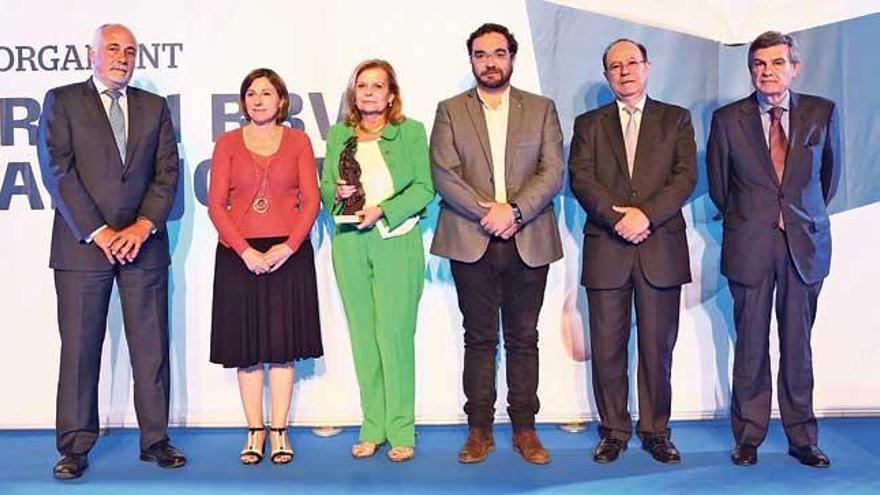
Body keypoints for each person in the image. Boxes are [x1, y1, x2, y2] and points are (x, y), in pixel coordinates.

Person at [37, 24, 184, 480]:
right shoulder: (62, 100)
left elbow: (166, 174)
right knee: (80, 351)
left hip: (144, 246)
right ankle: (75, 446)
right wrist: (100, 232)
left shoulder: (154, 107)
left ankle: (155, 439)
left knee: (151, 347)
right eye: (114, 48)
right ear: (92, 55)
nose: (123, 56)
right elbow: (57, 172)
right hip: (83, 248)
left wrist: (141, 226)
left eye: (131, 50)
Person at [430, 23, 564, 465]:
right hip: (472, 238)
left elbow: (552, 171)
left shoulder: (541, 108)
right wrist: (489, 213)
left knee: (525, 338)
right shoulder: (450, 110)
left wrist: (516, 211)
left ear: (512, 57)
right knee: (480, 338)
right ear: (471, 59)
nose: (491, 62)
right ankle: (479, 430)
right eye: (481, 54)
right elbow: (444, 172)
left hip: (529, 238)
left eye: (499, 53)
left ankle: (525, 429)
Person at [708, 31, 840, 468]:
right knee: (750, 345)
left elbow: (828, 179)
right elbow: (720, 187)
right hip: (750, 246)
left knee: (798, 347)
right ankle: (748, 436)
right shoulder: (728, 119)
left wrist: (794, 215)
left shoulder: (822, 112)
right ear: (751, 70)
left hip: (805, 247)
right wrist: (758, 219)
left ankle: (803, 437)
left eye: (777, 63)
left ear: (794, 68)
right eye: (759, 64)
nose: (768, 71)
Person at [568, 39, 697, 465]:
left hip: (660, 248)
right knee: (607, 348)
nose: (624, 71)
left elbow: (684, 178)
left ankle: (657, 431)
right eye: (615, 66)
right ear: (606, 75)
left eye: (632, 63)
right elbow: (582, 179)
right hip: (608, 248)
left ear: (647, 67)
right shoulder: (588, 124)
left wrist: (646, 216)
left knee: (658, 349)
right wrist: (617, 217)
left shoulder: (675, 119)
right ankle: (613, 431)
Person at [320, 59, 434, 463]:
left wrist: (383, 209)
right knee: (363, 339)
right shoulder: (338, 135)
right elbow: (326, 188)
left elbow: (425, 188)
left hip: (395, 240)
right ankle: (373, 427)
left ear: (391, 94)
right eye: (362, 85)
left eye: (377, 86)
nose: (368, 92)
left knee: (395, 338)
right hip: (349, 242)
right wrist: (338, 190)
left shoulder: (411, 132)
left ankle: (402, 429)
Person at [208, 68, 323, 465]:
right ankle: (254, 430)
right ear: (243, 102)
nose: (258, 100)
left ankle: (279, 431)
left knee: (281, 347)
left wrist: (288, 247)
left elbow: (311, 201)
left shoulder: (299, 141)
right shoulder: (226, 143)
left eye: (267, 93)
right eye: (251, 94)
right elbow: (215, 204)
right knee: (247, 350)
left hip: (288, 256)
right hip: (239, 256)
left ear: (281, 101)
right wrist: (245, 251)